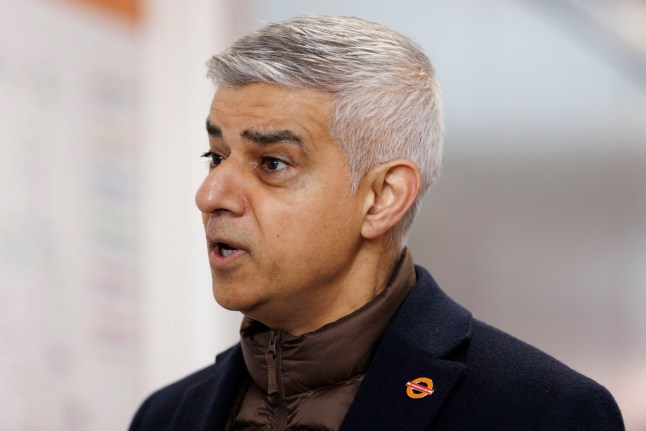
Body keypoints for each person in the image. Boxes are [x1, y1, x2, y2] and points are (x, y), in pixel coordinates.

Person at [129, 15, 624, 431]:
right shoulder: (167, 415)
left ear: (382, 199)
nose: (209, 195)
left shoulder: (544, 412)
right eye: (215, 157)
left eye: (272, 163)